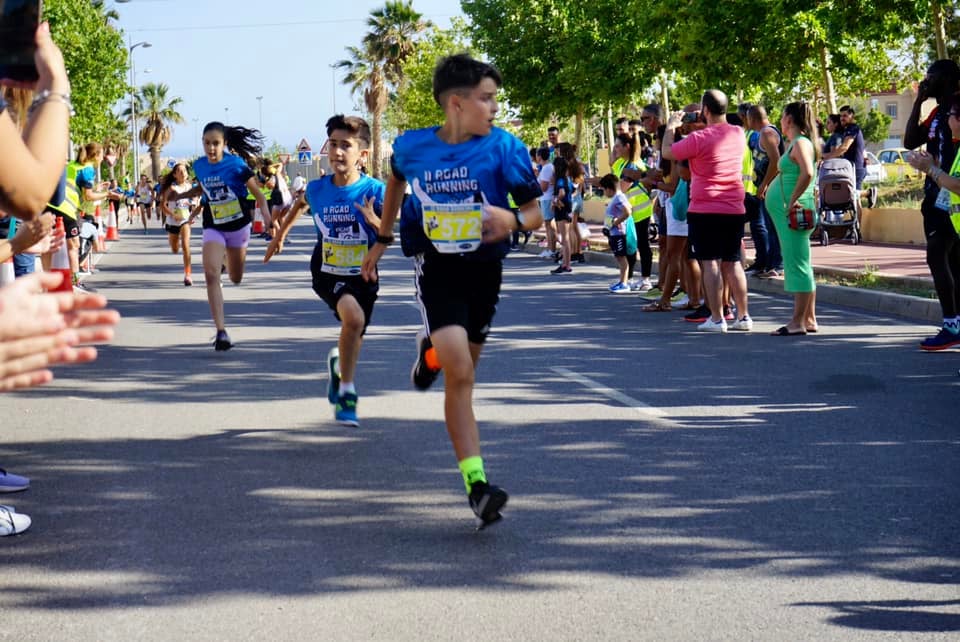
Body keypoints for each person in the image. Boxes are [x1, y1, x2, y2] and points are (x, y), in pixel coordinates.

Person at [360, 54, 542, 529]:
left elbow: (535, 212)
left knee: (462, 368)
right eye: (487, 99)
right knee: (461, 373)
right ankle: (478, 487)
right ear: (456, 104)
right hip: (436, 267)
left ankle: (430, 353)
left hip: (486, 271)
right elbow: (395, 180)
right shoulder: (412, 147)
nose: (495, 108)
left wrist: (512, 219)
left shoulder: (505, 148)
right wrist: (384, 236)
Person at [265, 115, 385, 426]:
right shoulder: (318, 189)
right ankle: (347, 392)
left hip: (364, 274)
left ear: (363, 154)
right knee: (353, 319)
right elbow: (299, 205)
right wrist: (280, 235)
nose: (337, 152)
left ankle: (338, 370)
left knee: (355, 331)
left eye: (346, 145)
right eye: (333, 144)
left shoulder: (376, 190)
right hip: (327, 270)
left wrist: (374, 221)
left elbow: (390, 233)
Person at [664, 89, 752, 332]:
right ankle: (743, 316)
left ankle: (716, 318)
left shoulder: (698, 139)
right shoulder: (738, 133)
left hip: (705, 207)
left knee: (710, 263)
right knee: (733, 262)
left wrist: (671, 126)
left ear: (705, 110)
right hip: (734, 206)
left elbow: (668, 152)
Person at [181, 122, 273, 351]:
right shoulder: (199, 165)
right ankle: (221, 331)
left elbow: (259, 195)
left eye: (216, 143)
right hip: (214, 224)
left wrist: (268, 218)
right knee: (211, 275)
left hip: (238, 225)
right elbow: (203, 189)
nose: (211, 148)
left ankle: (227, 261)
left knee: (236, 277)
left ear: (224, 144)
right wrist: (181, 195)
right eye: (207, 143)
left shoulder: (237, 165)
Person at [905, 72, 960, 351]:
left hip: (948, 195)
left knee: (938, 256)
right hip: (937, 196)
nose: (926, 80)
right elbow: (909, 140)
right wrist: (918, 101)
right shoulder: (937, 113)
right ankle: (954, 323)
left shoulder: (956, 110)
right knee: (950, 261)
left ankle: (952, 324)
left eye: (931, 75)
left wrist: (935, 171)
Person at [766, 101, 820, 335]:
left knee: (797, 264)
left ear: (789, 119)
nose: (780, 120)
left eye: (782, 116)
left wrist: (791, 200)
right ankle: (809, 319)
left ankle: (798, 322)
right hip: (791, 212)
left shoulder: (800, 143)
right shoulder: (798, 143)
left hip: (794, 212)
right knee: (800, 262)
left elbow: (807, 172)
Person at [159, 163, 199, 286]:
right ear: (175, 175)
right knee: (175, 248)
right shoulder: (171, 188)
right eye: (180, 171)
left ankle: (188, 275)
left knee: (186, 245)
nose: (183, 173)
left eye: (184, 171)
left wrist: (193, 212)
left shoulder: (190, 187)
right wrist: (172, 214)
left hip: (185, 219)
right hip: (172, 221)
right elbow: (163, 206)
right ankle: (174, 243)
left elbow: (194, 202)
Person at [599, 173, 632, 292]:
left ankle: (624, 283)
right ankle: (621, 281)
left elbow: (627, 212)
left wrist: (615, 222)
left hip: (619, 233)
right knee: (619, 257)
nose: (604, 193)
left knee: (622, 258)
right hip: (613, 233)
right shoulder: (616, 198)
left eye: (604, 190)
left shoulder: (619, 197)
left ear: (609, 188)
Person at [823, 105, 866, 191]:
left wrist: (826, 158)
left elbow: (844, 147)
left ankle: (869, 193)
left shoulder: (853, 128)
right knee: (848, 195)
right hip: (848, 167)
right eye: (841, 116)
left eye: (845, 116)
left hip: (856, 168)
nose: (842, 118)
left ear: (852, 116)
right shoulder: (846, 130)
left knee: (854, 195)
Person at [550, 157, 574, 274]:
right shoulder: (567, 179)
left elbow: (562, 193)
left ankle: (565, 264)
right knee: (566, 238)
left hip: (562, 210)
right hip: (567, 209)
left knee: (564, 238)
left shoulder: (560, 180)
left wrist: (555, 201)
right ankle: (566, 264)